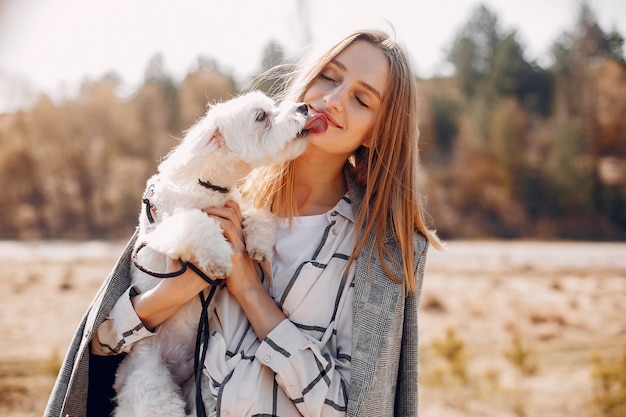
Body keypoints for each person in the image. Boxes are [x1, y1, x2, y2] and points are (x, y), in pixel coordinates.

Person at [44, 28, 443, 417]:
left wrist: (248, 288)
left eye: (361, 99)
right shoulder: (214, 200)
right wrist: (185, 285)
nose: (334, 100)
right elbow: (101, 346)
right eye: (329, 76)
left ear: (377, 132)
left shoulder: (381, 253)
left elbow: (351, 406)